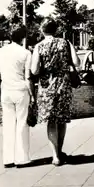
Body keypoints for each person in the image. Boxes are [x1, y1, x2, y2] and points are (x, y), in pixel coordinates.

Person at [30, 18, 80, 166]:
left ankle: (55, 156)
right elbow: (77, 62)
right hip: (63, 85)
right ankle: (60, 151)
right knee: (62, 119)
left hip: (47, 87)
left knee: (51, 121)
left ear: (42, 30)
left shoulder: (39, 46)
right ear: (56, 29)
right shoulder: (65, 43)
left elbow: (34, 70)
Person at [0, 26, 34, 168]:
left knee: (8, 123)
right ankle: (22, 158)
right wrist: (33, 95)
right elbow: (28, 77)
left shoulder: (1, 51)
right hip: (21, 90)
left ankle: (8, 158)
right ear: (23, 37)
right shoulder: (26, 53)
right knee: (22, 122)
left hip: (6, 91)